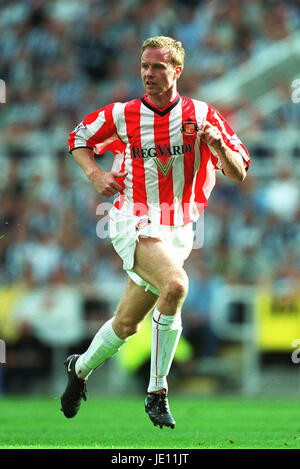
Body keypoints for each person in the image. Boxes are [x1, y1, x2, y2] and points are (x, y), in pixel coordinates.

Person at [60, 36, 250, 429]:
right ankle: (158, 391)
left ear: (177, 71)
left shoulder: (202, 115)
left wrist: (218, 147)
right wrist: (95, 173)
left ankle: (79, 369)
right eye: (145, 66)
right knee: (177, 286)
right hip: (133, 217)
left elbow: (239, 171)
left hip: (179, 227)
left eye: (158, 67)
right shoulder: (123, 114)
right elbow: (78, 138)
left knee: (127, 325)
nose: (149, 74)